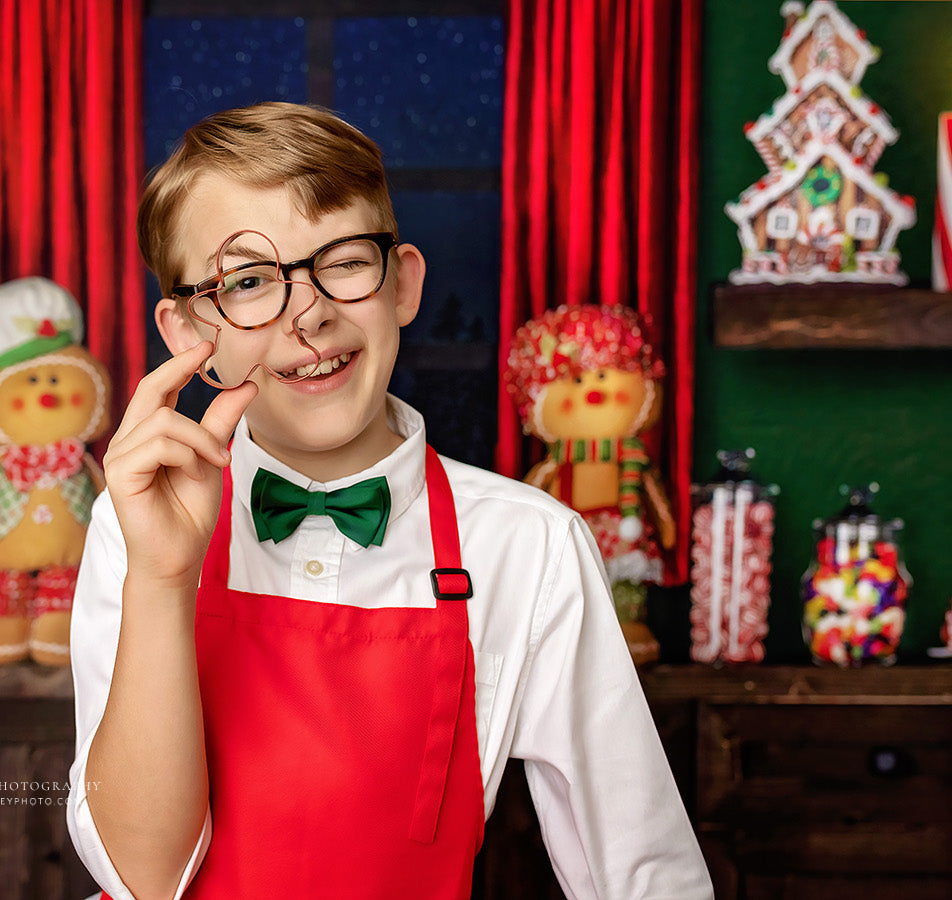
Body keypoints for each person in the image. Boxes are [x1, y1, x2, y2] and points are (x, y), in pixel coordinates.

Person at [66, 101, 713, 900]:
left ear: (402, 283)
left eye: (340, 260)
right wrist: (164, 579)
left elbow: (643, 873)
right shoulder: (131, 525)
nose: (309, 315)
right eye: (249, 281)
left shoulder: (528, 545)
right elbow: (141, 876)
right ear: (190, 328)